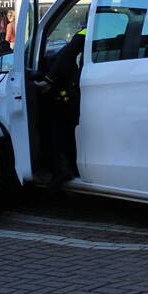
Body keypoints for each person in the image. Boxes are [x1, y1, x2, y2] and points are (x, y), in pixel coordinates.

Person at [35, 26, 87, 191]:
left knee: (57, 120)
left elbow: (68, 54)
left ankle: (62, 168)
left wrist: (49, 80)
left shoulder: (88, 30)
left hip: (81, 90)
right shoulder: (115, 27)